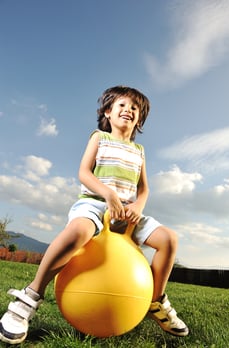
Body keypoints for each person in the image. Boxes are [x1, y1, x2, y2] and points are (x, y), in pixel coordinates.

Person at [0, 86, 189, 345]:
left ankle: (156, 302)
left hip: (126, 213)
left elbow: (144, 189)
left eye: (134, 108)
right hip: (94, 204)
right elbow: (83, 173)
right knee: (78, 232)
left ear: (140, 119)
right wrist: (108, 195)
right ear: (108, 113)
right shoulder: (99, 138)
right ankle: (29, 298)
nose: (128, 111)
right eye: (122, 105)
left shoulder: (140, 151)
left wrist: (138, 207)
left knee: (169, 238)